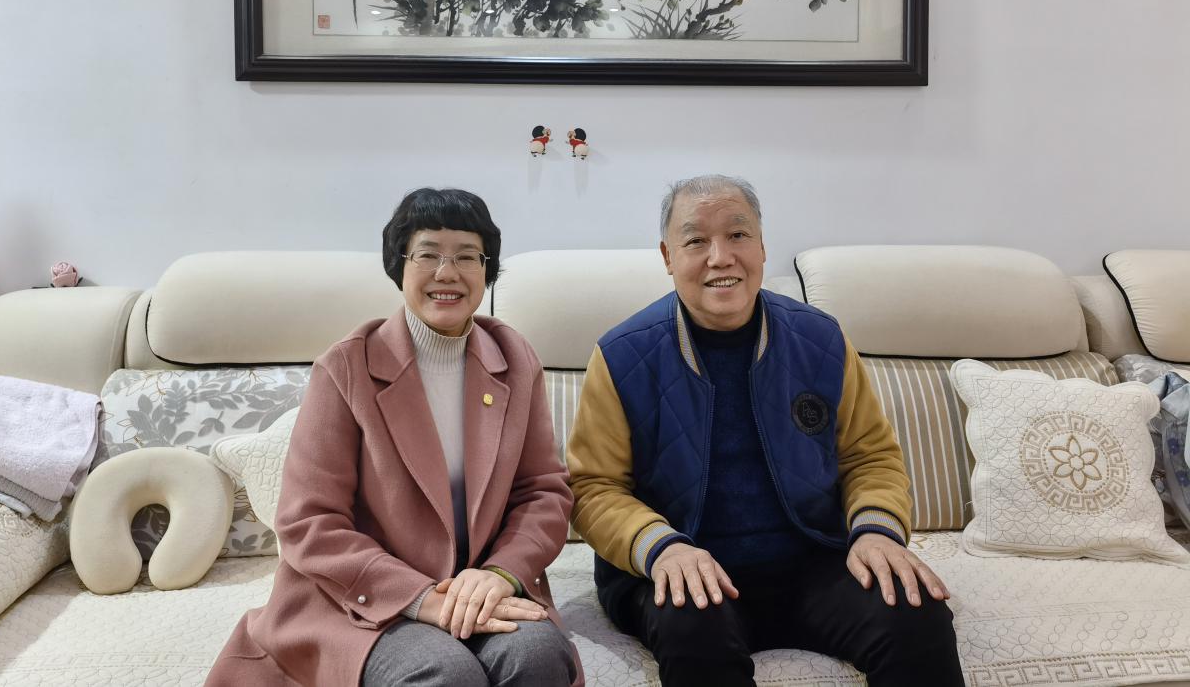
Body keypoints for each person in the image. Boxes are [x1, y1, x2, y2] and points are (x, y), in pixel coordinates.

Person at [565, 175, 963, 687]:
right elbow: (594, 487)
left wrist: (876, 531)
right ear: (668, 256)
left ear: (761, 246)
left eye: (738, 235)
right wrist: (662, 547)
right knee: (693, 631)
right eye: (696, 241)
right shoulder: (621, 355)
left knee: (915, 610)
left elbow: (869, 456)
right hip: (683, 564)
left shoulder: (821, 338)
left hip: (813, 559)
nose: (720, 257)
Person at [208, 188, 582, 687]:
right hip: (362, 598)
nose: (447, 273)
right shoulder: (347, 366)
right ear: (398, 266)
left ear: (486, 270)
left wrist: (501, 573)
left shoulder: (515, 358)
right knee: (445, 674)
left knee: (537, 656)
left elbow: (542, 492)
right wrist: (422, 598)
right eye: (427, 254)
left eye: (466, 256)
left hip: (480, 586)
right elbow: (309, 521)